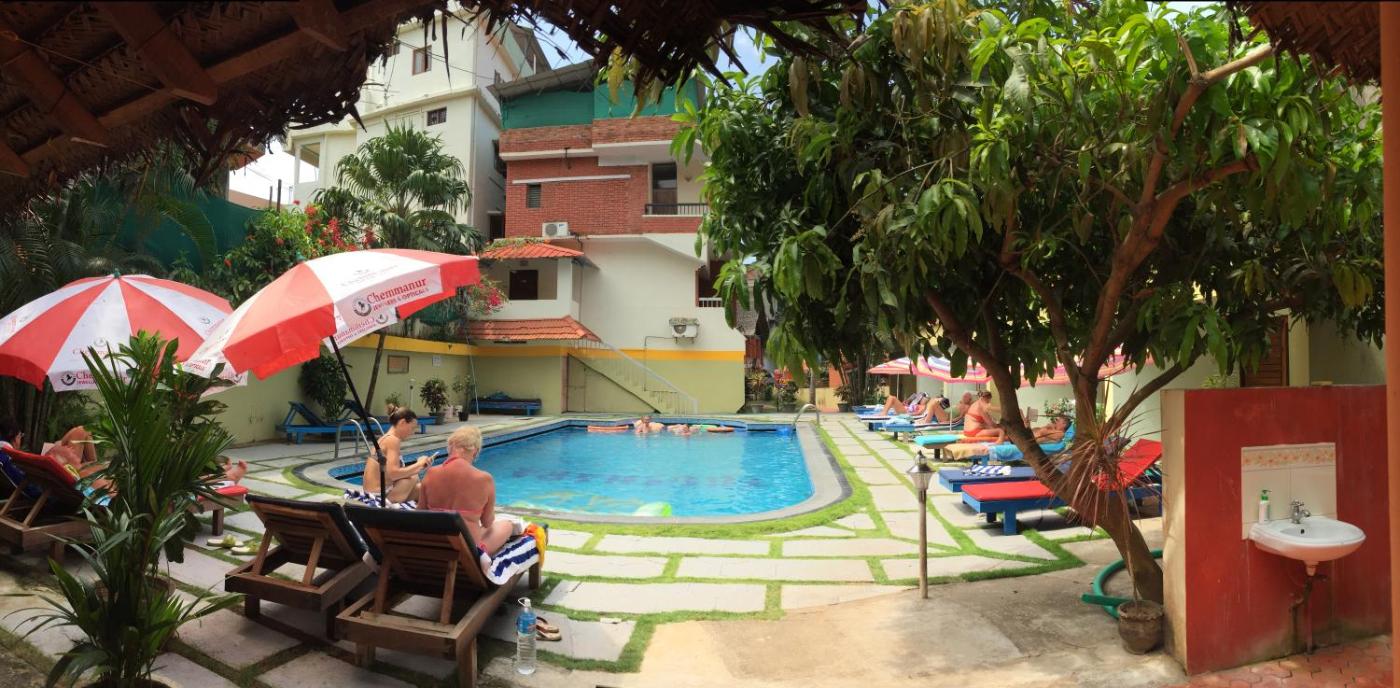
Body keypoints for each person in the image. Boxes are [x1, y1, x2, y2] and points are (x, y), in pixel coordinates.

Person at [417, 426, 514, 556]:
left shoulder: (431, 473)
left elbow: (420, 513)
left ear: (450, 447)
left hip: (437, 545)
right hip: (466, 553)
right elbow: (487, 522)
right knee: (506, 525)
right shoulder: (484, 478)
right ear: (475, 451)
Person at [360, 408, 429, 506]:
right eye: (412, 428)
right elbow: (393, 474)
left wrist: (419, 466)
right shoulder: (392, 440)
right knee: (414, 477)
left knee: (421, 489)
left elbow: (390, 474)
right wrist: (418, 465)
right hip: (380, 496)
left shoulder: (386, 438)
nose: (412, 432)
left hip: (374, 492)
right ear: (402, 422)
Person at [0, 418, 99, 476]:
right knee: (82, 430)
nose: (20, 440)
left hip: (46, 477)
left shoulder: (5, 453)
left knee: (77, 431)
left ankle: (94, 464)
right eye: (20, 436)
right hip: (54, 482)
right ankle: (95, 464)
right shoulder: (8, 455)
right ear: (12, 435)